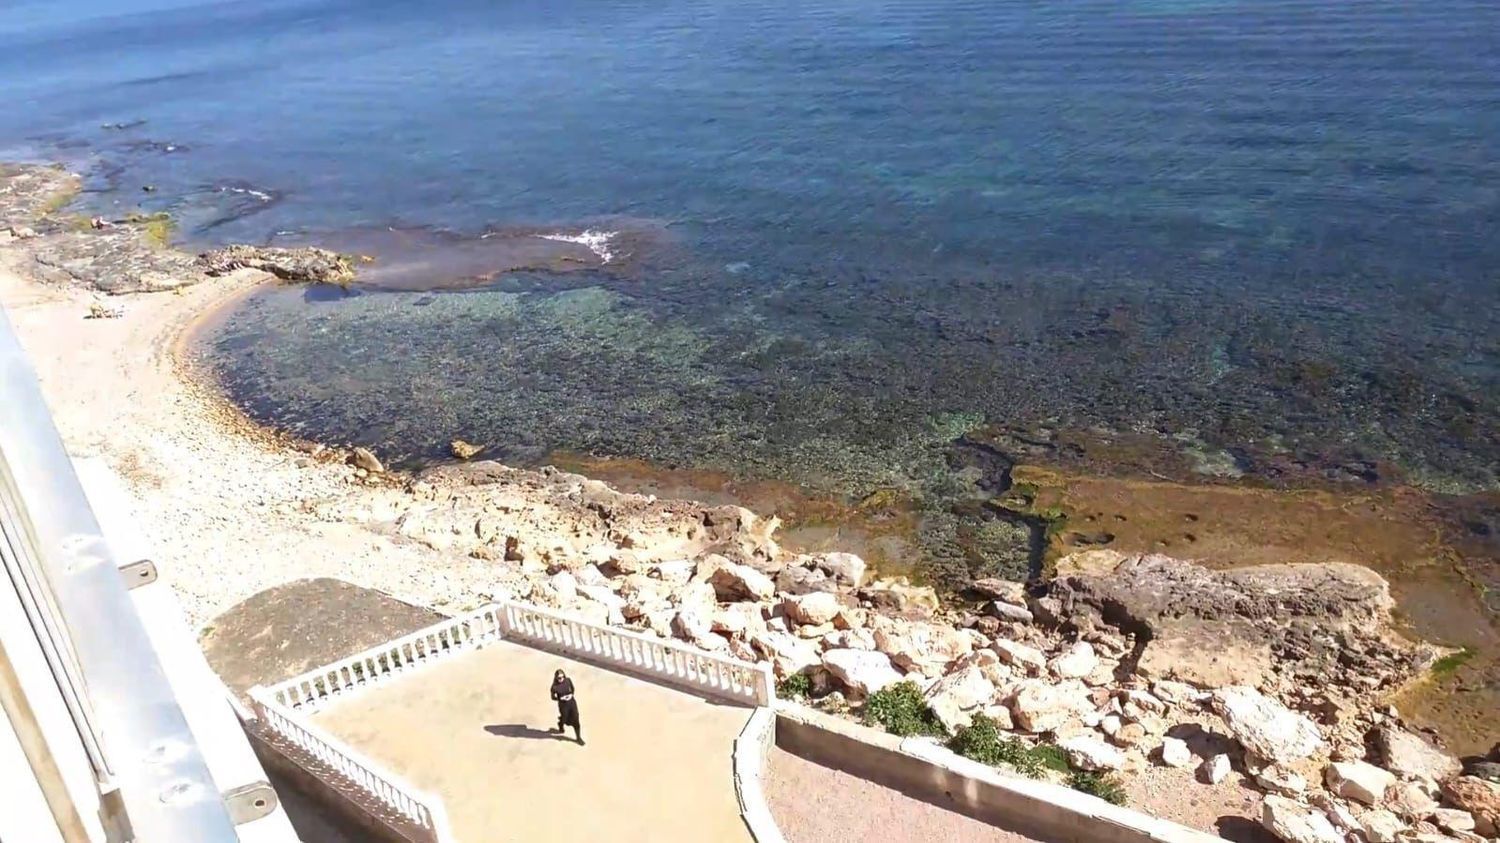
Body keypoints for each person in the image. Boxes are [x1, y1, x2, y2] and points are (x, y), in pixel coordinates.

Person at [549, 669, 582, 744]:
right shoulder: (554, 687)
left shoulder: (568, 680)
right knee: (565, 719)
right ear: (556, 678)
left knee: (576, 718)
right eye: (559, 678)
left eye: (562, 677)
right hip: (563, 705)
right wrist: (560, 698)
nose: (561, 679)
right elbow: (552, 697)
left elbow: (573, 689)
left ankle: (578, 738)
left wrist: (571, 695)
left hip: (571, 702)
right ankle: (561, 724)